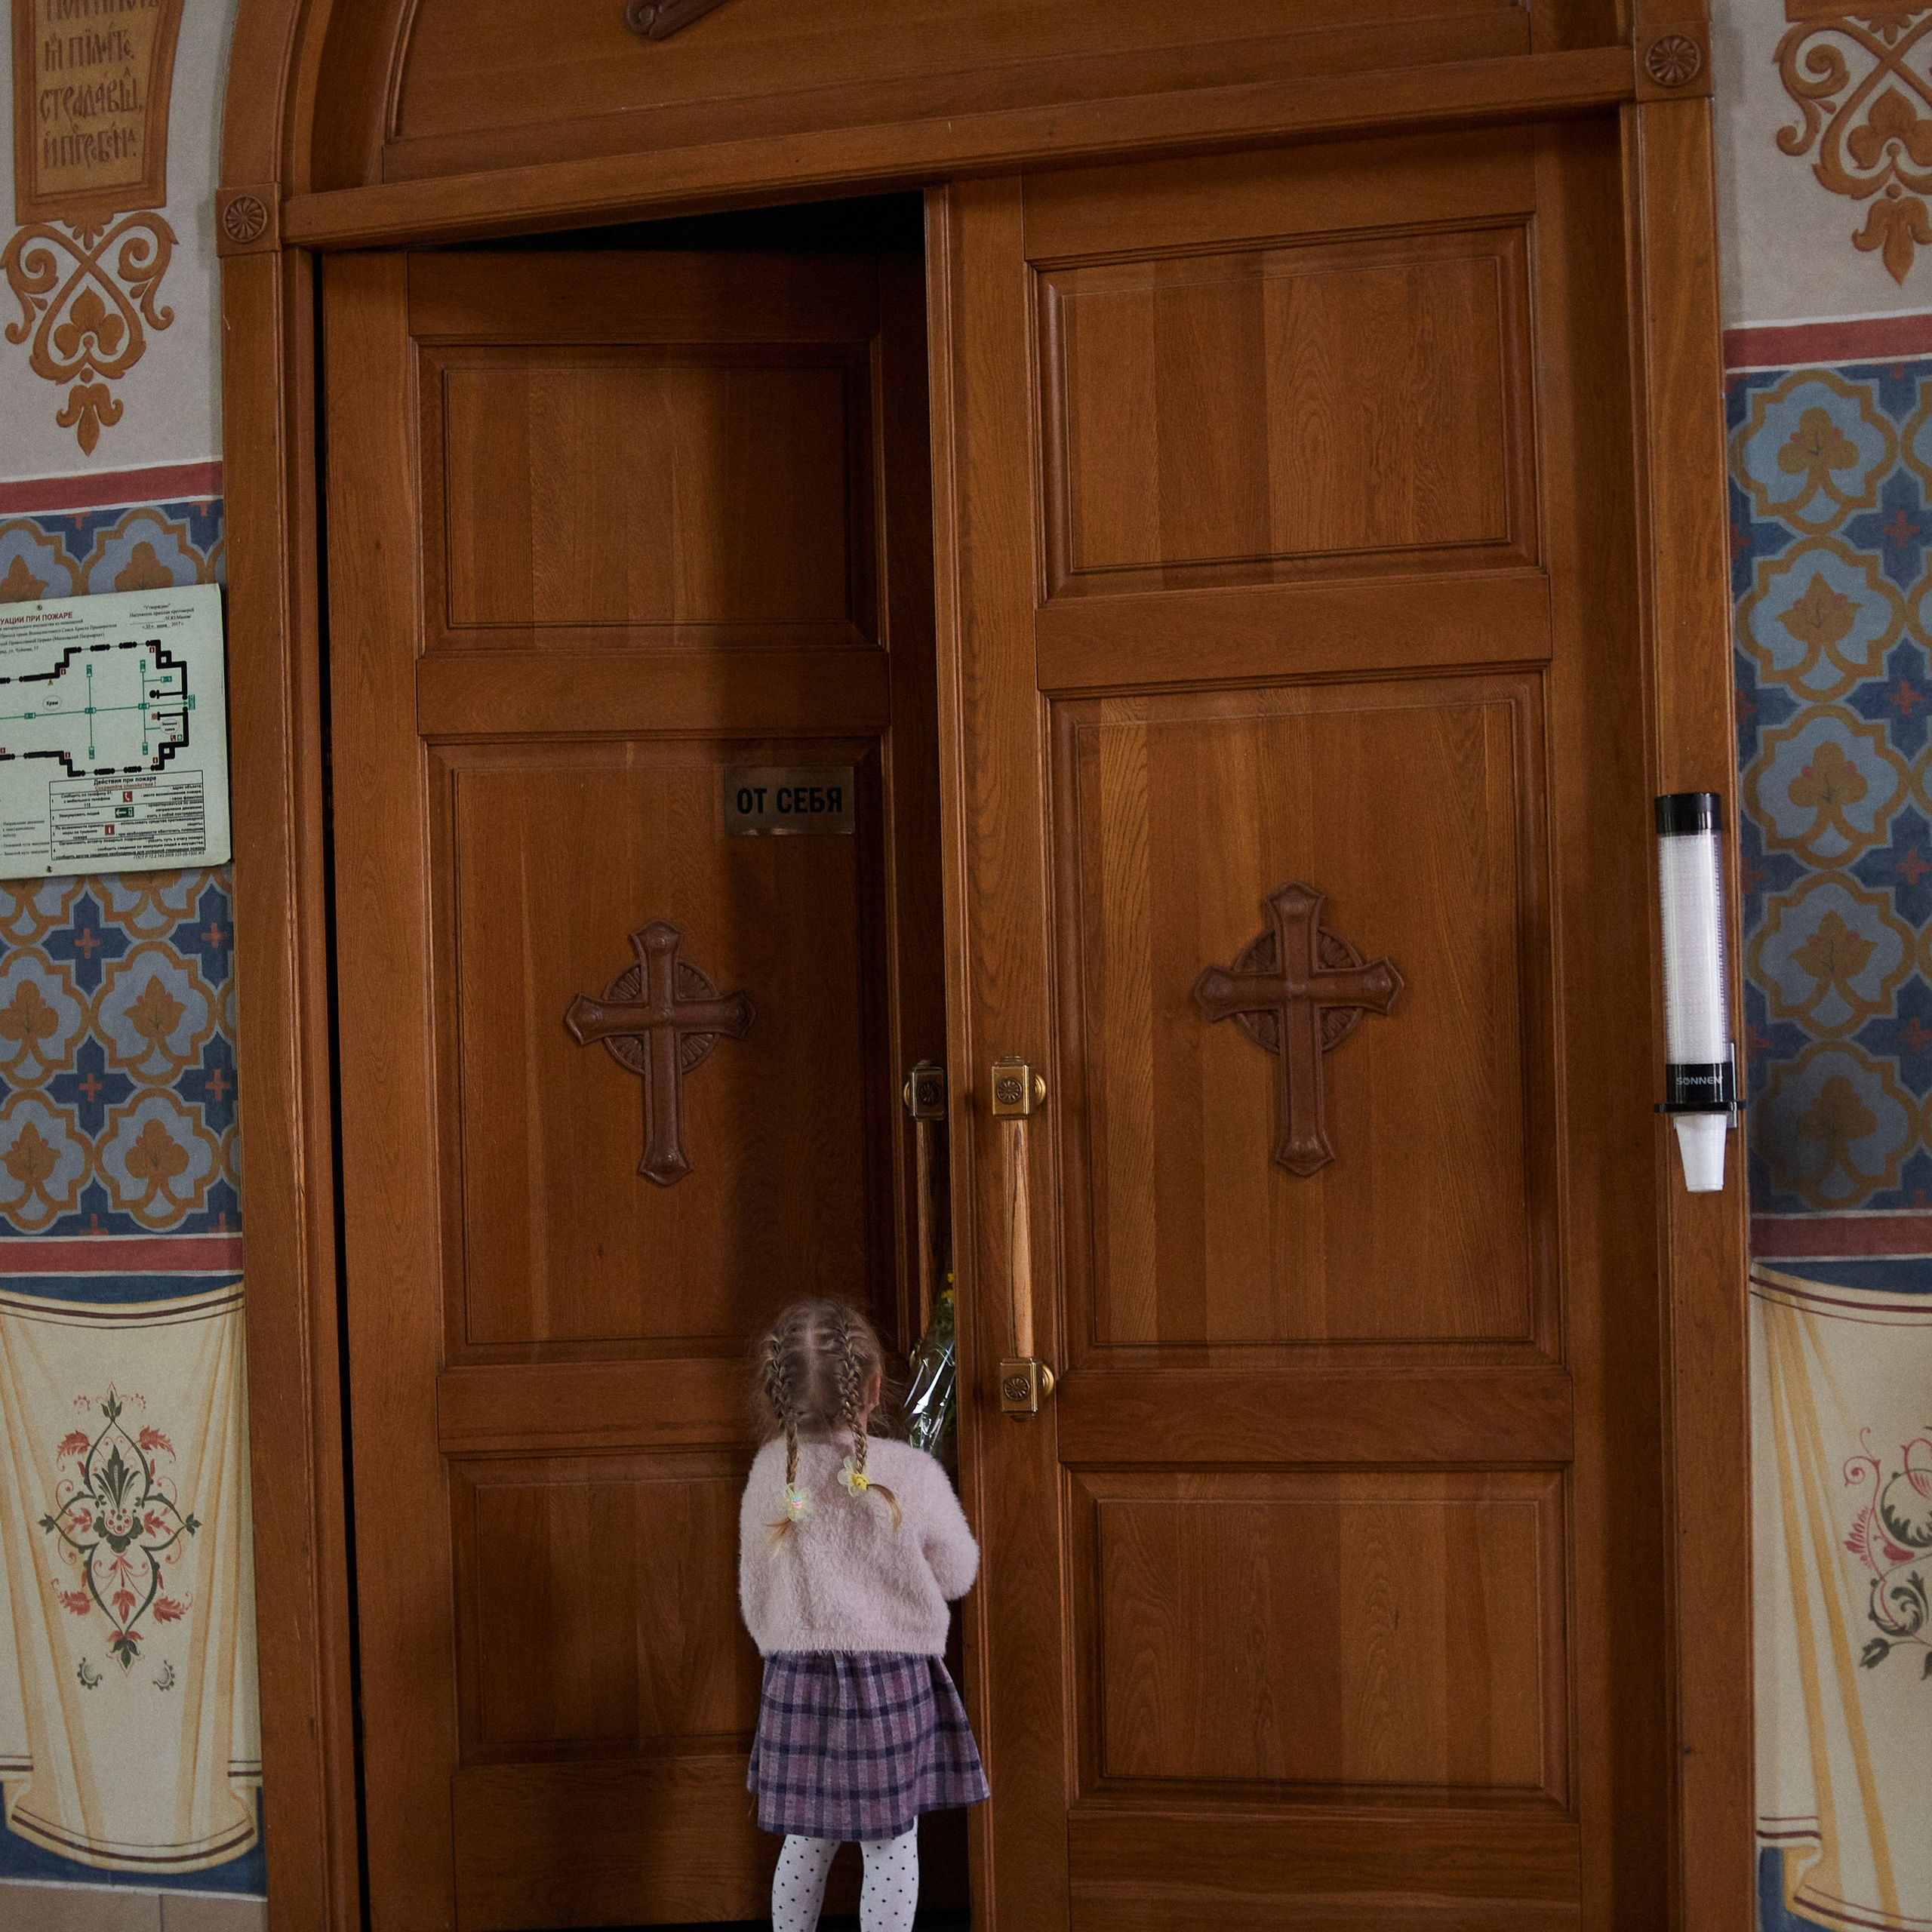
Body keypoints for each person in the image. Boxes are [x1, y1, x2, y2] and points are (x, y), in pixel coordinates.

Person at [741, 1297, 988, 1932]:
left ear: (775, 1392)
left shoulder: (771, 1473)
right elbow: (959, 1572)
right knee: (890, 1845)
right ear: (875, 1386)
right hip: (891, 1687)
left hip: (798, 1684)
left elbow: (755, 1597)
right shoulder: (911, 1472)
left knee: (805, 1840)